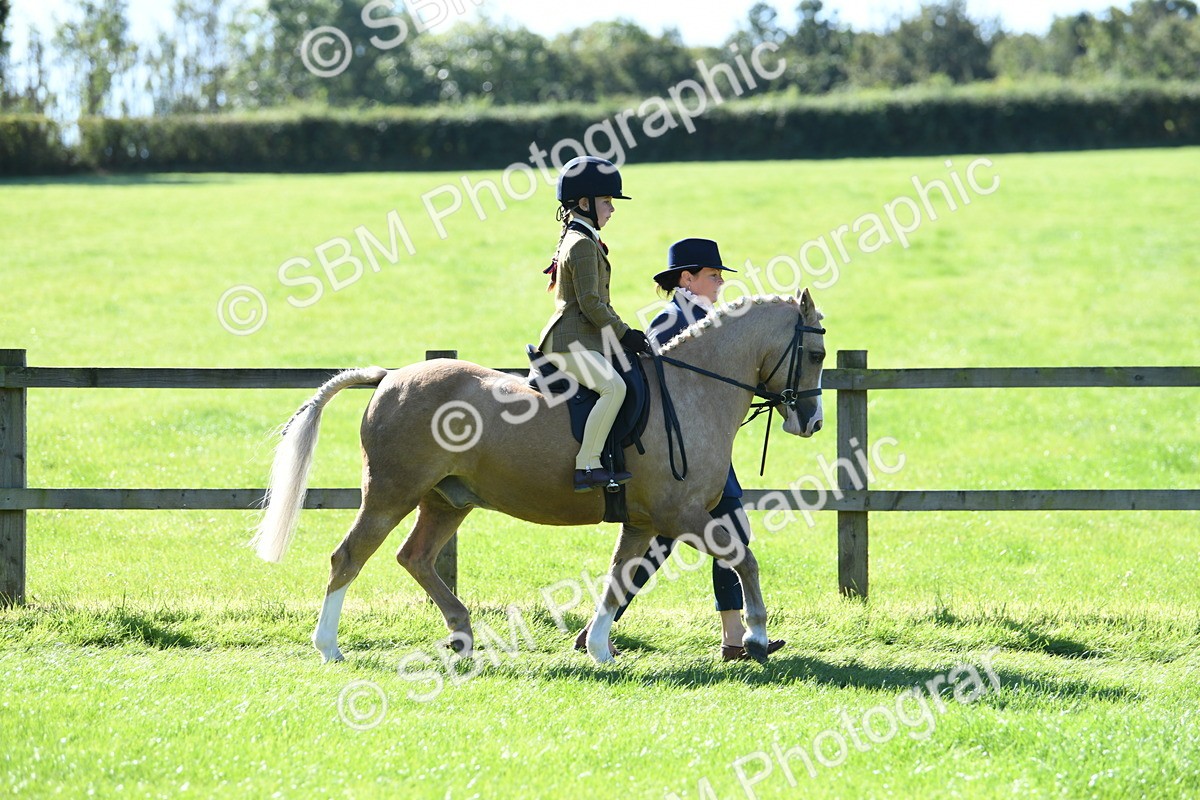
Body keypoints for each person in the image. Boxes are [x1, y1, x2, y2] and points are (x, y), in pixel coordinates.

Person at [574, 238, 786, 661]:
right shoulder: (671, 321)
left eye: (720, 276)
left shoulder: (709, 321)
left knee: (710, 536)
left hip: (703, 455)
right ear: (686, 279)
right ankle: (600, 629)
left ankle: (731, 638)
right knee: (673, 542)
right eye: (713, 275)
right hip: (678, 460)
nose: (720, 283)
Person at [537, 156, 651, 492]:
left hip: (583, 340)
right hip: (570, 343)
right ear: (584, 204)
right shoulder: (583, 245)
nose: (612, 209)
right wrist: (625, 334)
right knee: (614, 388)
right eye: (606, 201)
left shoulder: (582, 238)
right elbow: (591, 304)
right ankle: (587, 466)